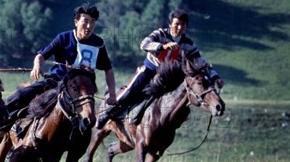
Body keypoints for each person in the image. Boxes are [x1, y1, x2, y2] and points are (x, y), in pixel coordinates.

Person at [0, 2, 117, 162]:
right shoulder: (64, 38)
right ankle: (0, 128)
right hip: (55, 84)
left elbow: (108, 70)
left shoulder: (98, 44)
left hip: (79, 93)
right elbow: (41, 55)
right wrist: (37, 65)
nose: (89, 25)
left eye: (93, 22)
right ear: (76, 21)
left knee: (86, 126)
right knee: (20, 96)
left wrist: (113, 94)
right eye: (85, 21)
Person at [95, 8, 224, 129]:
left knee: (181, 99)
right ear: (170, 24)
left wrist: (216, 77)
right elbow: (144, 44)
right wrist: (162, 47)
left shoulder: (188, 44)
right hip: (150, 70)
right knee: (131, 90)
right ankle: (107, 112)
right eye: (177, 24)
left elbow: (202, 62)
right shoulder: (160, 33)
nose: (179, 28)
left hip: (169, 77)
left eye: (183, 25)